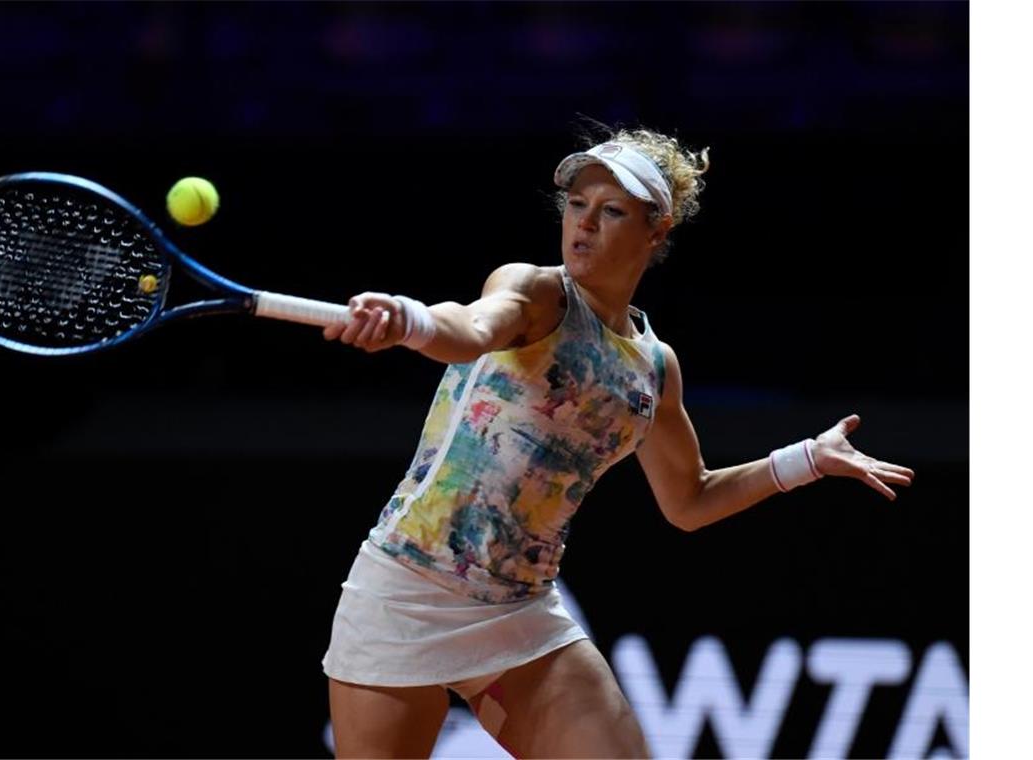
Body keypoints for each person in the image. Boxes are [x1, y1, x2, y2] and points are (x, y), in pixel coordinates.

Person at [319, 127, 914, 758]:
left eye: (612, 212)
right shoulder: (535, 291)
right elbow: (467, 328)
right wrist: (408, 321)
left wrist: (805, 462)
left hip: (518, 611)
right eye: (577, 205)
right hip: (406, 590)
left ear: (656, 231)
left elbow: (690, 498)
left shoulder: (653, 368)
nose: (584, 224)